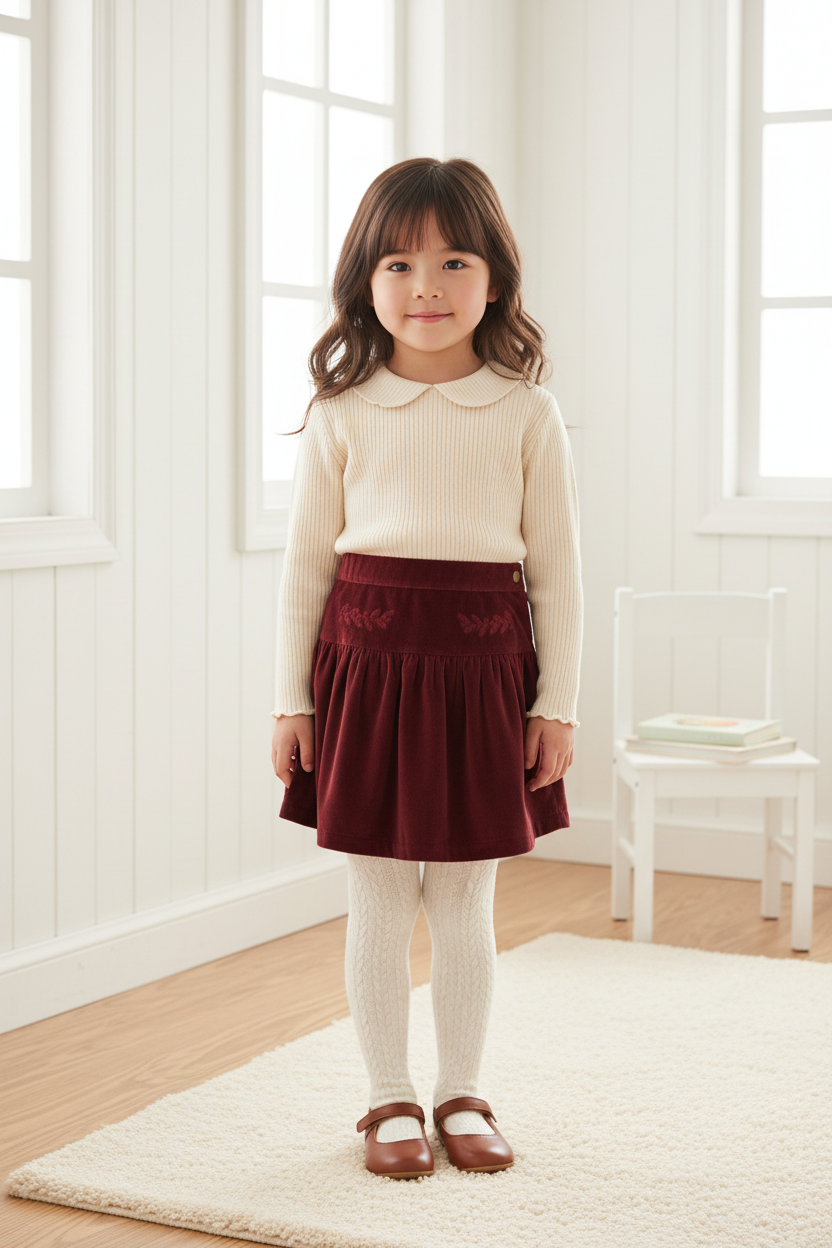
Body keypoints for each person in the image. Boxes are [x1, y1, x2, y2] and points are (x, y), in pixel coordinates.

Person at [270, 157, 583, 1180]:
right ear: (365, 279)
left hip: (484, 675)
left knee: (462, 899)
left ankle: (460, 1092)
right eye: (398, 263)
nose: (427, 287)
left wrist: (558, 704)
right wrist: (291, 700)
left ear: (495, 277)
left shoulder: (527, 413)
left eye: (454, 260)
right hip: (363, 673)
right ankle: (385, 1100)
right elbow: (305, 570)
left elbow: (561, 576)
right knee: (377, 896)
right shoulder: (343, 411)